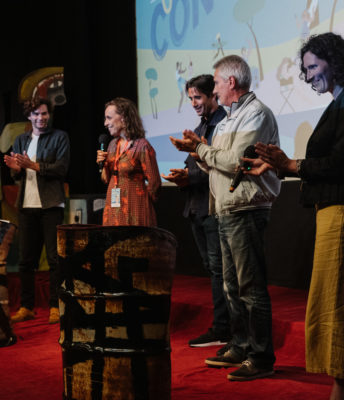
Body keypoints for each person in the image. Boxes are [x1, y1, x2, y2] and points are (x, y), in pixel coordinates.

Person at [242, 32, 344, 399]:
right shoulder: (337, 104)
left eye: (314, 66)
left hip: (340, 215)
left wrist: (292, 164)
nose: (309, 75)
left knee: (335, 305)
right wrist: (278, 167)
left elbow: (338, 163)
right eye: (306, 69)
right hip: (330, 211)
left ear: (335, 61)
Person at [170, 55, 281, 381]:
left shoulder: (255, 113)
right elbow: (217, 164)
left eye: (217, 82)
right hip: (226, 209)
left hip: (246, 208)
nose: (215, 89)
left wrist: (202, 150)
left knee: (250, 287)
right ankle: (241, 344)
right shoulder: (231, 117)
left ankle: (261, 357)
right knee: (232, 286)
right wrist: (197, 151)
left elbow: (235, 162)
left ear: (231, 82)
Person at [162, 74, 230, 347]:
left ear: (213, 95)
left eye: (198, 97)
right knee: (214, 269)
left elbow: (220, 166)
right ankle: (223, 327)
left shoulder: (223, 125)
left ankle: (224, 328)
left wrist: (189, 176)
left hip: (214, 207)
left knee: (220, 271)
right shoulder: (201, 126)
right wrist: (183, 174)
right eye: (190, 98)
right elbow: (195, 163)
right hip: (197, 206)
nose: (193, 103)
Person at [4, 97, 70, 324]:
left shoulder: (60, 137)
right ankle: (26, 306)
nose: (41, 118)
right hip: (26, 205)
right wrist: (16, 169)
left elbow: (61, 168)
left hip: (51, 205)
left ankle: (55, 306)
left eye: (44, 113)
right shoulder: (21, 140)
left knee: (54, 259)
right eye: (36, 114)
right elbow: (16, 174)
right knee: (26, 260)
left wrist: (33, 165)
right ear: (29, 116)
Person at [96, 97, 161, 226]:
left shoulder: (142, 146)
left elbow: (155, 183)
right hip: (114, 208)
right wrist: (102, 164)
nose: (105, 123)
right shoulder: (112, 145)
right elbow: (105, 179)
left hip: (135, 207)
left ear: (124, 118)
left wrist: (142, 202)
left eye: (109, 118)